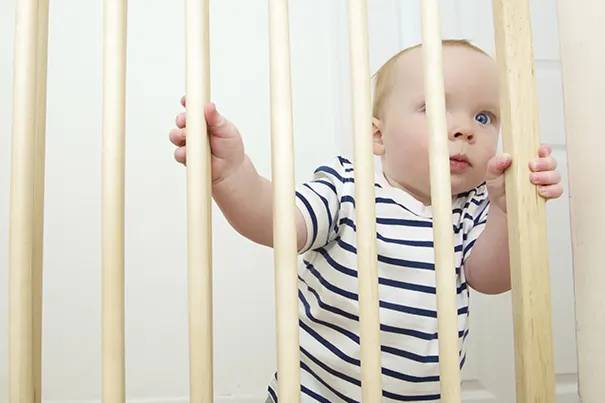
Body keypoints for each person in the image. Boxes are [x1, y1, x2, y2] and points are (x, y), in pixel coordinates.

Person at [168, 39, 563, 402]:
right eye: (434, 107)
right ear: (378, 136)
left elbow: (490, 279)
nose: (465, 130)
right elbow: (277, 221)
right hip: (315, 394)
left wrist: (507, 211)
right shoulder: (347, 188)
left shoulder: (475, 207)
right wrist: (232, 174)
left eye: (484, 117)